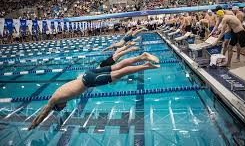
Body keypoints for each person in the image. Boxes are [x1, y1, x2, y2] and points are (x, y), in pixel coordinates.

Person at [28, 52, 160, 130]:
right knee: (118, 66)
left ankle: (146, 65)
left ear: (57, 106)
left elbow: (44, 112)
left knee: (119, 73)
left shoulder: (55, 100)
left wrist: (34, 124)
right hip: (87, 74)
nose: (65, 106)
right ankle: (142, 57)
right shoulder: (57, 95)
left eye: (61, 108)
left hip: (89, 80)